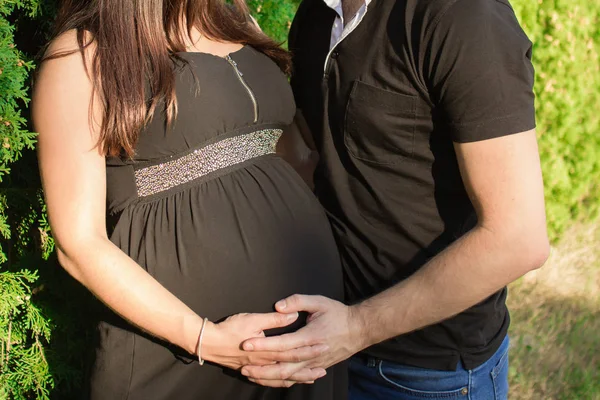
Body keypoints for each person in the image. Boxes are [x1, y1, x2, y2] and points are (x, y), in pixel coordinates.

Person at [32, 0, 347, 398]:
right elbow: (78, 244)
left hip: (299, 337)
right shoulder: (83, 57)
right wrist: (206, 340)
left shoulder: (233, 17)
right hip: (185, 356)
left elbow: (282, 149)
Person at [238, 0, 551, 398]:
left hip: (428, 374)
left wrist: (357, 327)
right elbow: (310, 160)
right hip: (327, 345)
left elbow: (518, 239)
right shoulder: (318, 14)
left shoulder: (463, 16)